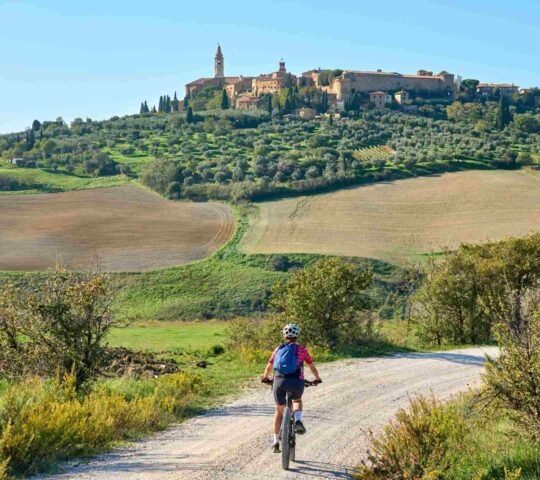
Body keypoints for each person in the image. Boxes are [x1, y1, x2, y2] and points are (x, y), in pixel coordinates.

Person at [261, 323, 322, 453]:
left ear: (285, 336)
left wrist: (265, 377)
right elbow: (311, 366)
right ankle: (298, 420)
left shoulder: (278, 349)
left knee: (279, 411)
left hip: (279, 382)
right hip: (296, 382)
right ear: (297, 336)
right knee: (297, 400)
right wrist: (317, 379)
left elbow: (269, 366)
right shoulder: (302, 349)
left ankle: (276, 441)